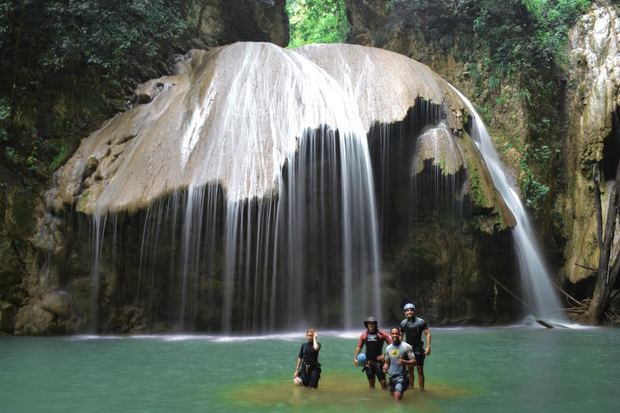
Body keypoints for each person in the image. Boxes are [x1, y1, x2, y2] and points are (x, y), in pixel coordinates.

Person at [353, 316, 392, 389]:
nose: (371, 325)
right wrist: (355, 358)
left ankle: (387, 397)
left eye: (373, 323)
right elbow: (359, 347)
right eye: (369, 323)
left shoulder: (382, 334)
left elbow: (393, 345)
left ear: (375, 324)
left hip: (379, 362)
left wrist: (385, 355)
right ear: (367, 325)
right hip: (368, 363)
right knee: (371, 385)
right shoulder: (364, 335)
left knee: (383, 384)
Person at [400, 302, 431, 390]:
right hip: (408, 349)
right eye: (407, 310)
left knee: (420, 370)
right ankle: (411, 387)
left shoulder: (420, 322)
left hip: (418, 349)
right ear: (405, 312)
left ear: (414, 311)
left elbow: (427, 334)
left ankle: (421, 390)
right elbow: (400, 337)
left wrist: (428, 347)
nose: (409, 312)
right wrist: (399, 349)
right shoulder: (403, 323)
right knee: (410, 370)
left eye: (411, 310)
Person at [382, 327, 416, 402]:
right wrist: (384, 368)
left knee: (397, 397)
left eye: (396, 333)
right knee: (393, 396)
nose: (395, 335)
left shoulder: (406, 347)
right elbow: (387, 363)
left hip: (402, 377)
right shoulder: (388, 348)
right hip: (391, 377)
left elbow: (414, 361)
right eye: (393, 334)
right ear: (390, 335)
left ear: (399, 334)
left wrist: (404, 362)